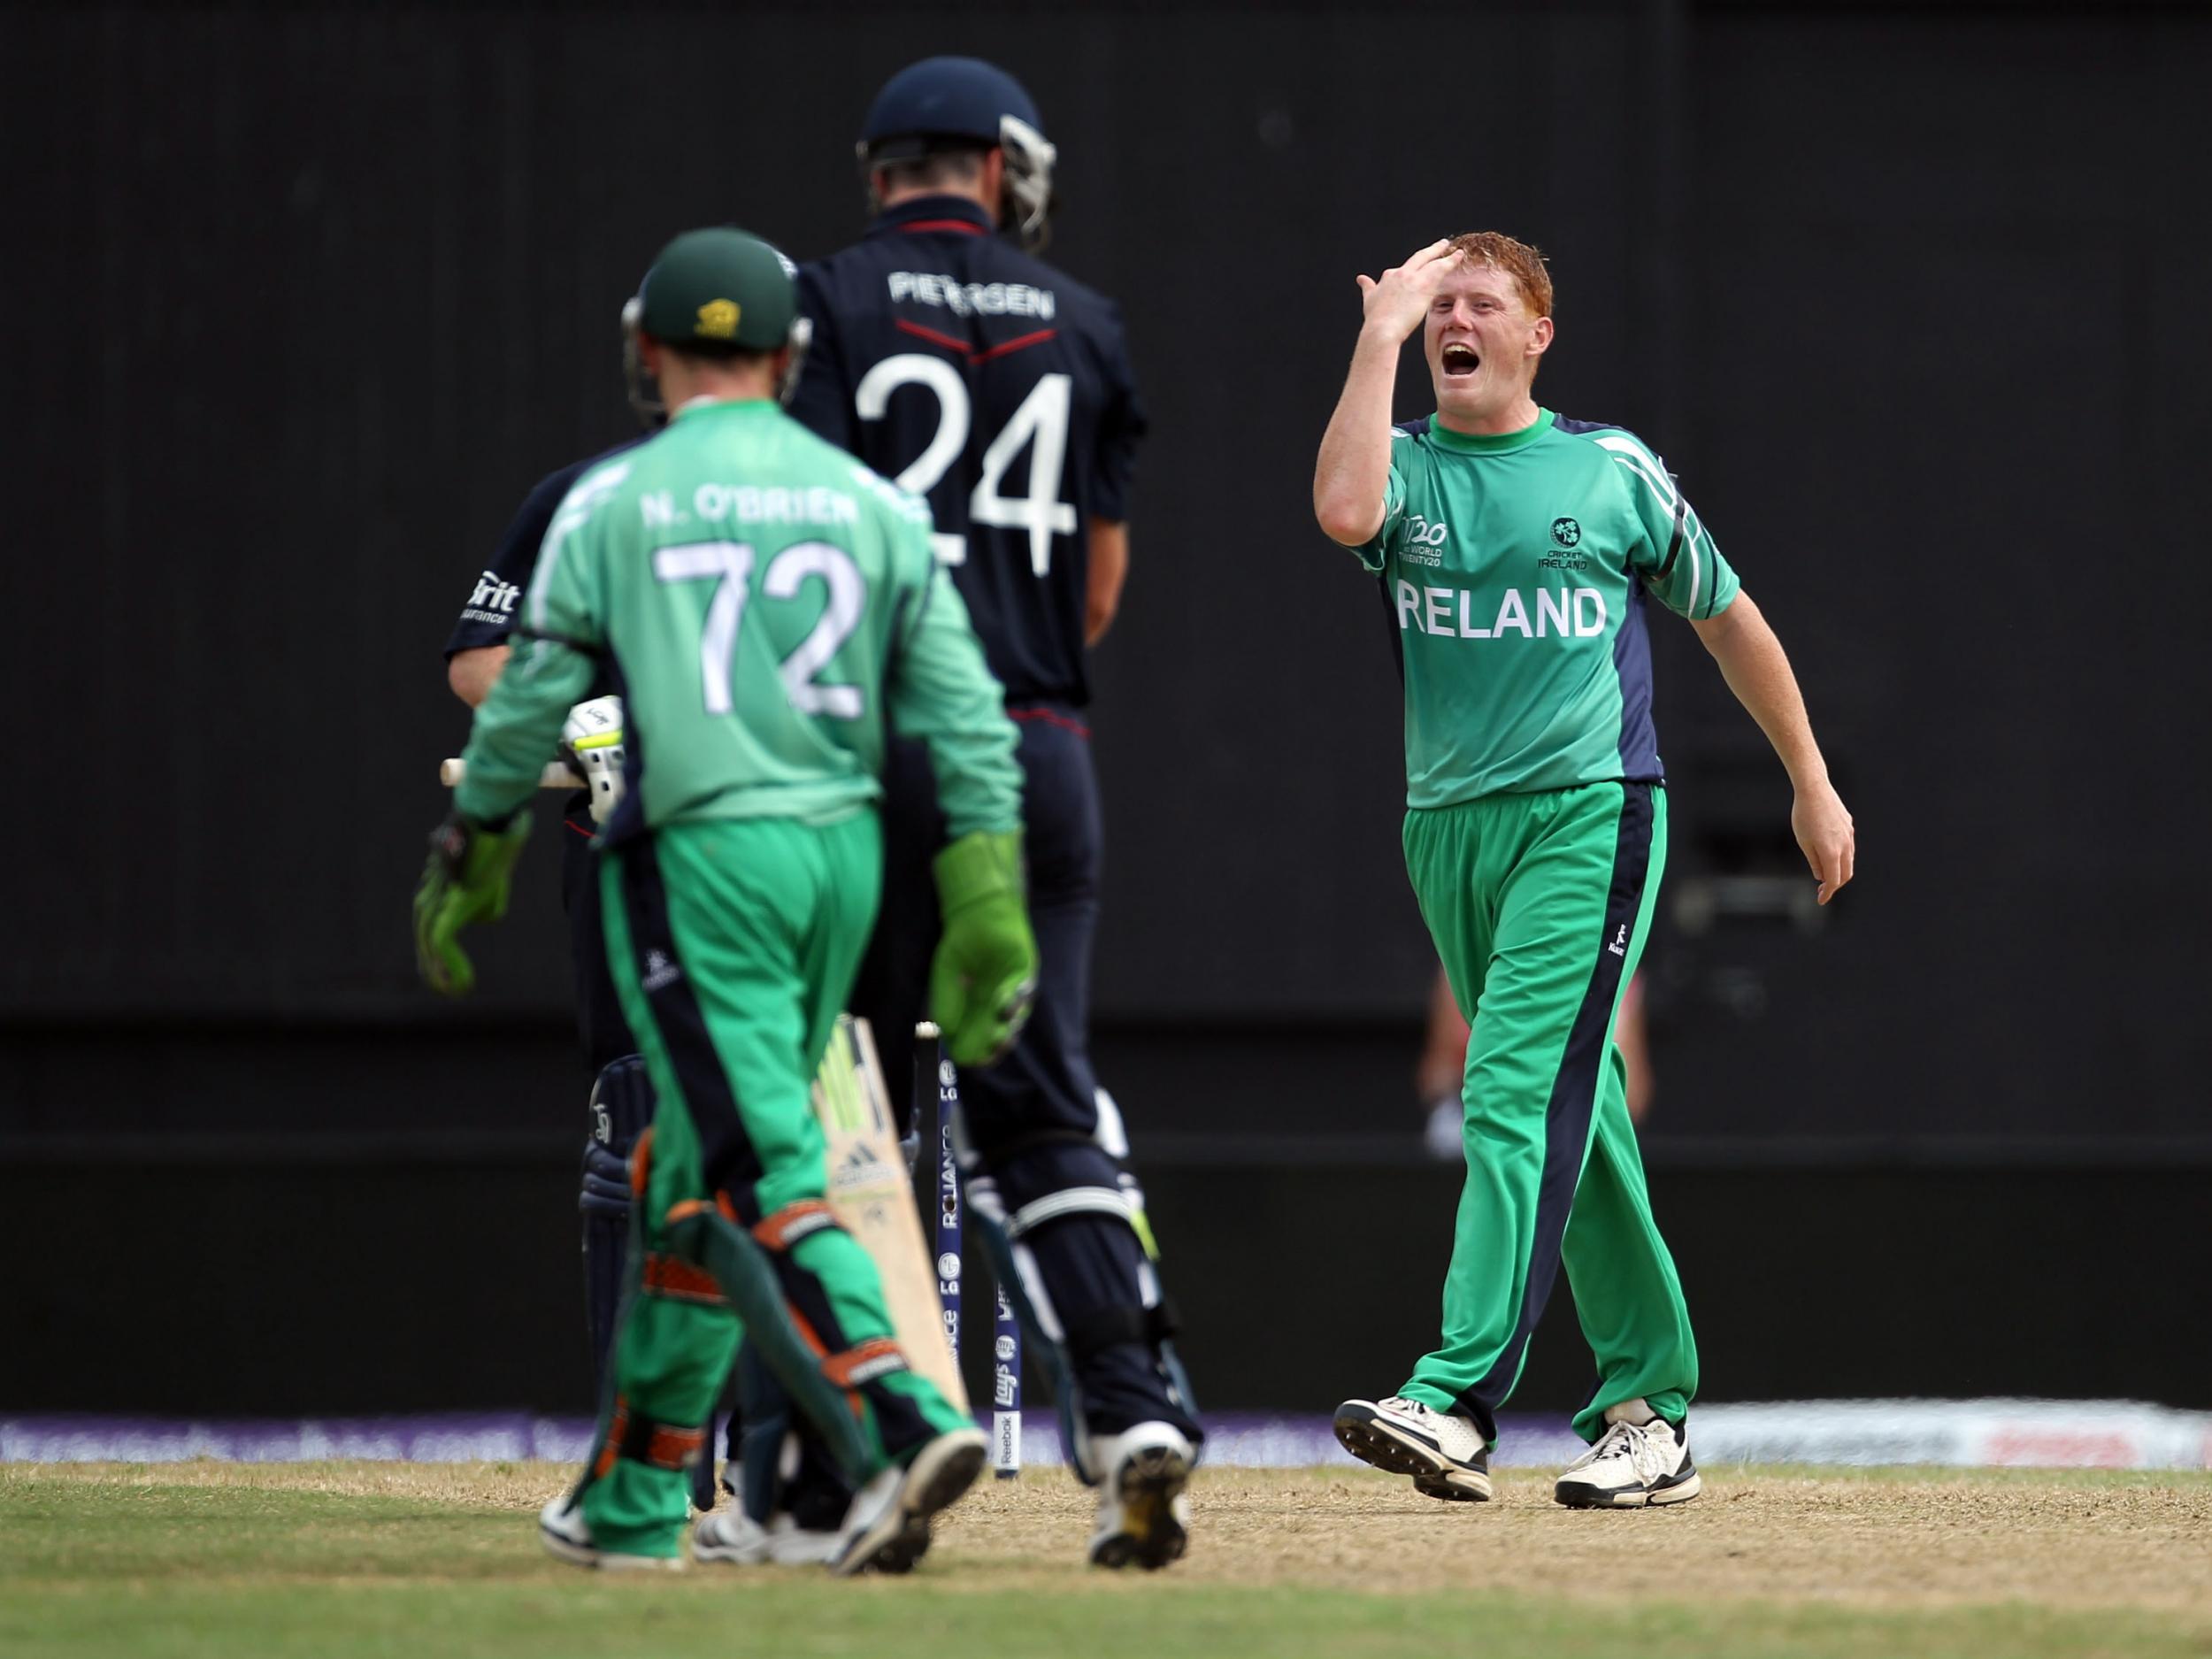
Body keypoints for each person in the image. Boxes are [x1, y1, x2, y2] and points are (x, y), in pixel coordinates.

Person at [412, 227, 1038, 1573]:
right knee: (689, 1163)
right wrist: (987, 893)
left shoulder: (611, 499)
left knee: (748, 1156)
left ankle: (895, 1412)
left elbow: (521, 691)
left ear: (646, 351)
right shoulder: (867, 502)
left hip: (695, 856)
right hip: (845, 864)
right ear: (793, 354)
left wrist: (477, 845)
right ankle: (637, 1494)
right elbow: (967, 714)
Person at [1313, 232, 1855, 1509]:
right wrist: (1375, 336)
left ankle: (1452, 1395)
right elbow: (1341, 509)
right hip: (1446, 822)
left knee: (1506, 1086)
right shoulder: (1405, 465)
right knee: (1581, 1103)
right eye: (1437, 304)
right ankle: (1649, 1407)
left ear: (1537, 333)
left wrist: (1811, 778)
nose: (1455, 319)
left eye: (1481, 303)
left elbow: (1730, 616)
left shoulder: (1607, 469)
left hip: (1590, 812)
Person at [771, 55, 1201, 1571]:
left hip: (872, 759)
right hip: (1038, 747)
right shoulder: (1084, 323)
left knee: (849, 1116)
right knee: (1041, 1100)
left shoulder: (824, 302)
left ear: (884, 166)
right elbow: (1098, 588)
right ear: (1001, 169)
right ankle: (1132, 1405)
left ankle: (856, 1467)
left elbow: (803, 543)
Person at [1419, 964, 1653, 1158]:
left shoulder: (1616, 970)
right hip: (1488, 1124)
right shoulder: (1461, 967)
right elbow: (1435, 1077)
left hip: (1579, 1126)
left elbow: (1634, 1097)